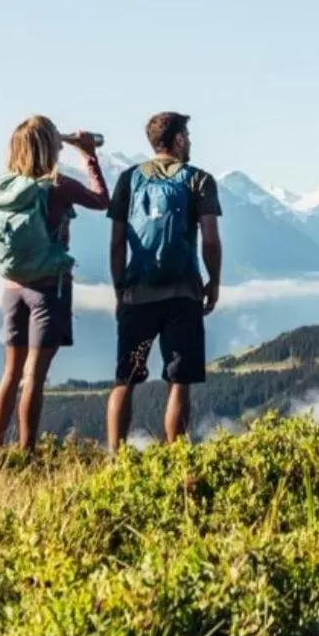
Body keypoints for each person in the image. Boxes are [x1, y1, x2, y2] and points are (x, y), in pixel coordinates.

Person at [0, 117, 109, 451]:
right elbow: (102, 201)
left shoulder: (3, 189)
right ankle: (27, 452)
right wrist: (88, 155)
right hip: (48, 289)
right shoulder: (57, 185)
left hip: (12, 288)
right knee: (34, 377)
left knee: (10, 374)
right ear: (48, 146)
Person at [107, 111, 223, 449]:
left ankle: (116, 458)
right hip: (182, 294)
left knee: (124, 379)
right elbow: (211, 239)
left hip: (136, 293)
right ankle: (176, 459)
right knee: (178, 382)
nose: (190, 141)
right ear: (179, 140)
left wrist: (119, 289)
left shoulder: (129, 179)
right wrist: (213, 282)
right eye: (187, 134)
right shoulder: (198, 180)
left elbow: (116, 242)